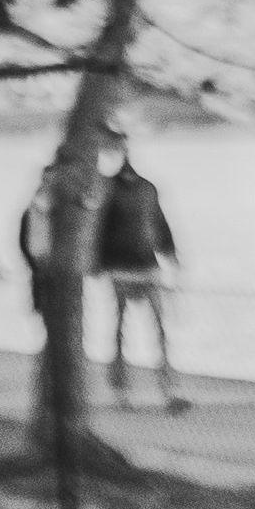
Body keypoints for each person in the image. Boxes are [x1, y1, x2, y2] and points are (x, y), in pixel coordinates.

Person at [93, 136, 183, 406]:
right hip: (120, 269)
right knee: (120, 330)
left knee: (161, 330)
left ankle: (169, 390)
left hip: (148, 267)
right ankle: (121, 389)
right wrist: (97, 263)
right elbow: (98, 229)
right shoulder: (107, 189)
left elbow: (159, 222)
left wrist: (171, 254)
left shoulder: (147, 188)